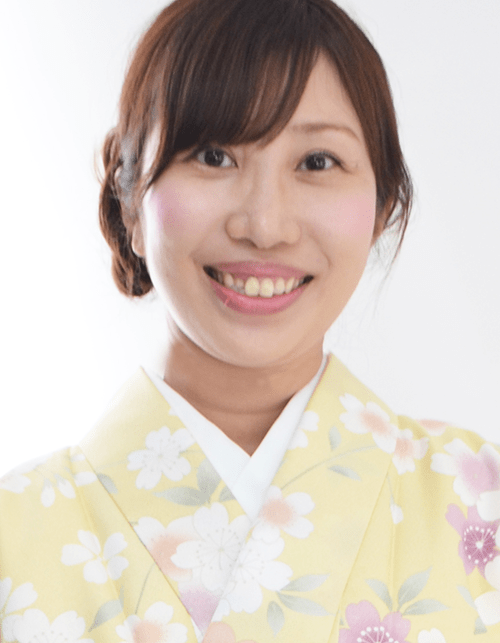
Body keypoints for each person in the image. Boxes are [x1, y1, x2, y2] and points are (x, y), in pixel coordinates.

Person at [1, 0, 499, 641]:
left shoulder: (478, 502)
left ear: (382, 208)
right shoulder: (15, 542)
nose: (265, 225)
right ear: (129, 200)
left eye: (317, 162)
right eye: (213, 155)